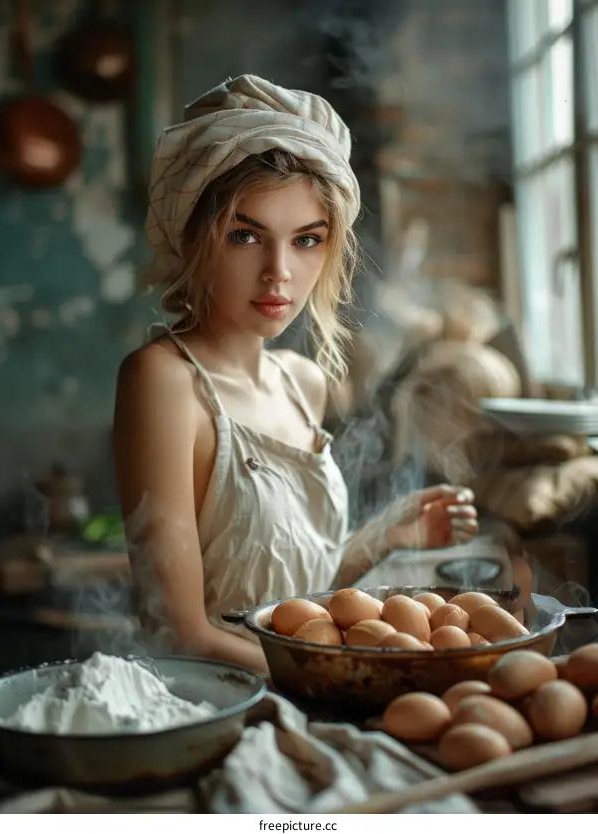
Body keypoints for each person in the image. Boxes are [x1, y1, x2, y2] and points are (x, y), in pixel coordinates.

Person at [113, 75, 478, 675]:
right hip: (227, 705)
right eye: (245, 235)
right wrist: (352, 674)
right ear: (194, 237)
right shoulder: (164, 383)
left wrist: (385, 536)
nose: (278, 272)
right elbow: (179, 635)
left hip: (320, 694)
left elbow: (291, 602)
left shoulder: (302, 382)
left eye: (307, 240)